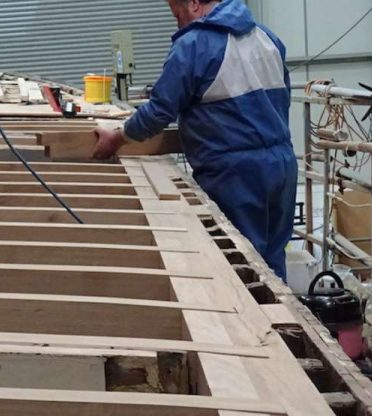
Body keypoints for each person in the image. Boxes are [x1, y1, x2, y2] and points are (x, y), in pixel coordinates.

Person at [93, 0, 297, 281]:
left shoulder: (195, 44)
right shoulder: (266, 38)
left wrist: (116, 139)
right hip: (283, 165)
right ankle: (282, 325)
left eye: (177, 15)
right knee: (273, 263)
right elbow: (283, 102)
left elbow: (158, 112)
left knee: (242, 269)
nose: (178, 23)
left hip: (236, 174)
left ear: (193, 4)